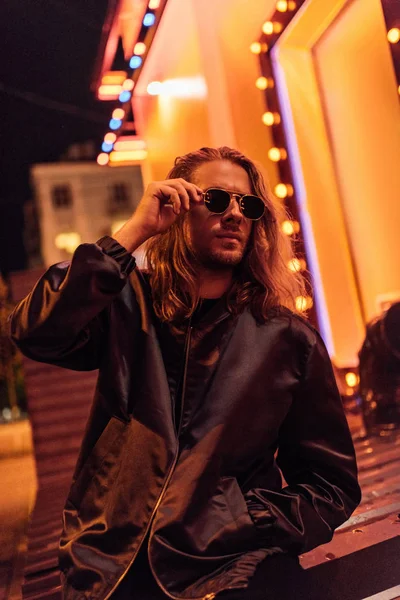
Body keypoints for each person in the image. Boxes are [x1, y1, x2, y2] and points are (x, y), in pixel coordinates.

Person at [9, 146, 361, 600]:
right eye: (215, 200)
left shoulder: (287, 339)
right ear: (176, 210)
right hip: (113, 560)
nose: (234, 213)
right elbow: (33, 331)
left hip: (231, 560)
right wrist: (131, 234)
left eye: (247, 205)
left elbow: (330, 484)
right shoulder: (127, 304)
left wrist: (243, 519)